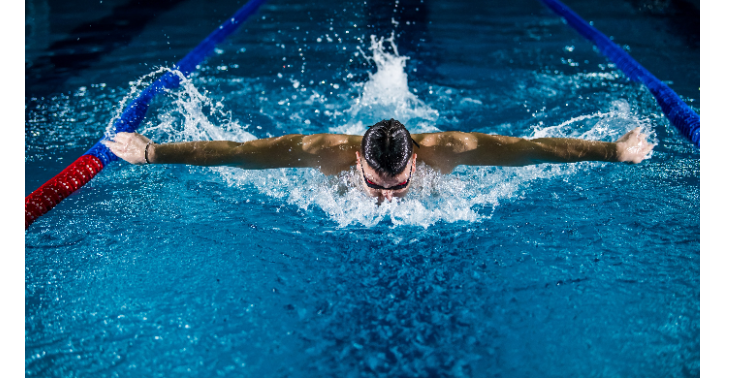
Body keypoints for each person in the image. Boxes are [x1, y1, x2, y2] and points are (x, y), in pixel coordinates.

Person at [103, 119, 654, 202]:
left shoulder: (451, 150)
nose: (385, 198)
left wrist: (613, 151)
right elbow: (242, 155)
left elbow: (533, 150)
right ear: (358, 163)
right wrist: (152, 152)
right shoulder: (324, 154)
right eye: (375, 183)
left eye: (397, 186)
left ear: (416, 158)